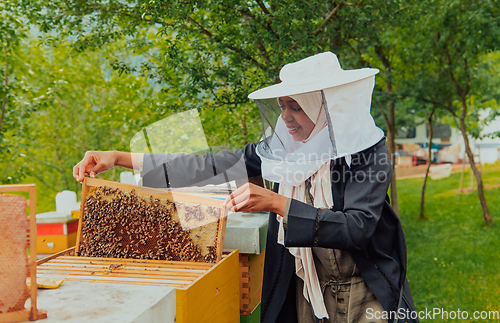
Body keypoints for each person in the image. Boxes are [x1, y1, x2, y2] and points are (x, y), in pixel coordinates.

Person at [74, 52, 418, 323]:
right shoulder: (280, 151)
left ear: (324, 107)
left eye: (295, 106)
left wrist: (279, 203)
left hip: (365, 293)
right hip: (306, 290)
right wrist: (119, 157)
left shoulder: (367, 154)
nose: (285, 117)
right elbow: (208, 166)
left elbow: (357, 228)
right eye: (282, 106)